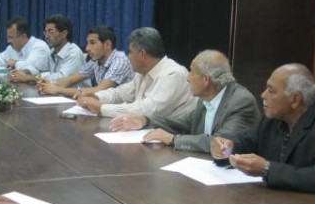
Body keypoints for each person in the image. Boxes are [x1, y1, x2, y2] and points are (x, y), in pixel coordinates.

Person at [211, 63, 315, 200]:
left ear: (295, 99)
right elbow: (246, 141)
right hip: (274, 203)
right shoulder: (272, 120)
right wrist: (227, 146)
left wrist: (267, 169)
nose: (263, 95)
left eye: (271, 91)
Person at [109, 49, 260, 152]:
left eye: (192, 73)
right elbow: (183, 123)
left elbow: (220, 143)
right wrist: (145, 120)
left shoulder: (240, 102)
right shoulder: (205, 98)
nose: (187, 78)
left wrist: (173, 139)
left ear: (205, 79)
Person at [77, 27, 196, 118]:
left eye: (131, 52)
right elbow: (119, 93)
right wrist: (96, 97)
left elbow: (147, 110)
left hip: (173, 137)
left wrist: (102, 108)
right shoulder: (142, 74)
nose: (128, 56)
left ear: (142, 54)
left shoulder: (172, 74)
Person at [37, 25, 133, 97]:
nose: (87, 48)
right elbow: (70, 79)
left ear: (107, 44)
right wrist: (49, 84)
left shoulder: (119, 61)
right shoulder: (96, 61)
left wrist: (58, 90)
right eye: (88, 43)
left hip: (123, 112)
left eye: (92, 43)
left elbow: (99, 91)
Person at [9, 14, 85, 83]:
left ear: (64, 34)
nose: (46, 36)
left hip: (76, 93)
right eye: (46, 32)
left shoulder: (74, 53)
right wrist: (24, 72)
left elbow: (61, 79)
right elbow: (36, 66)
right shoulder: (52, 53)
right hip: (57, 92)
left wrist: (29, 78)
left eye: (50, 31)